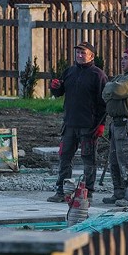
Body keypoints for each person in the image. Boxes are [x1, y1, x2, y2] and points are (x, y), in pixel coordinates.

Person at [47, 41, 107, 202]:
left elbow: (103, 103)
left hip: (89, 125)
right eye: (78, 53)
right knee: (64, 157)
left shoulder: (98, 75)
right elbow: (59, 91)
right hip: (69, 124)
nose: (80, 56)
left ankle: (87, 193)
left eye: (83, 53)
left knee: (89, 159)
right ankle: (62, 191)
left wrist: (101, 124)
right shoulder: (69, 71)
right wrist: (54, 87)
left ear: (91, 56)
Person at [101, 48, 128, 207]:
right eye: (122, 58)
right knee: (114, 161)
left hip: (126, 125)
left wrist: (111, 87)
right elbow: (105, 93)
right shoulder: (122, 77)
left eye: (126, 58)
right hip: (115, 124)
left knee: (126, 160)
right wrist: (110, 88)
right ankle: (118, 192)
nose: (122, 61)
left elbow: (116, 89)